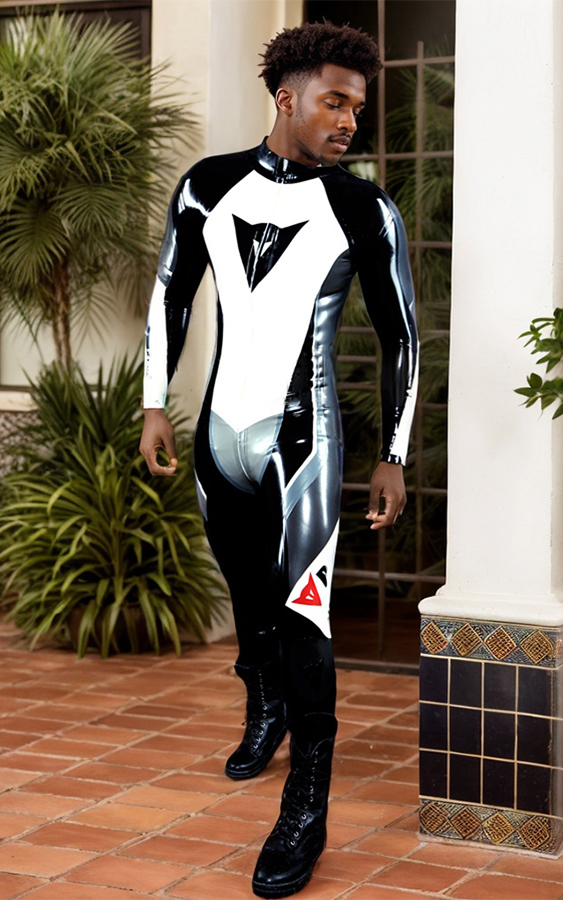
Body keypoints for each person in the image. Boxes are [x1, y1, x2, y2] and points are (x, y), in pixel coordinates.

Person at [140, 20, 418, 899]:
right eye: (335, 102)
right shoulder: (208, 185)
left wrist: (394, 454)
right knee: (247, 594)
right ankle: (265, 703)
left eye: (358, 108)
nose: (349, 122)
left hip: (304, 443)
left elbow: (403, 337)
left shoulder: (364, 207)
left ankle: (307, 802)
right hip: (218, 440)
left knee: (305, 617)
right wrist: (154, 404)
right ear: (286, 98)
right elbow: (171, 296)